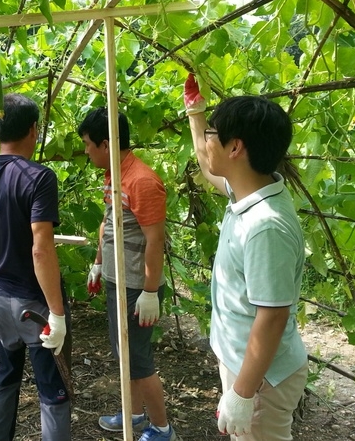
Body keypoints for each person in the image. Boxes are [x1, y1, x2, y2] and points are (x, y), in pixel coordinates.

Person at [183, 74, 308, 441]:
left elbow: (271, 317)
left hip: (262, 378)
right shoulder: (247, 191)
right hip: (248, 367)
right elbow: (209, 170)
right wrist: (196, 114)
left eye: (212, 133)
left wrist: (242, 393)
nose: (207, 139)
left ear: (235, 148)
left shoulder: (266, 227)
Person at [0, 93, 71, 441]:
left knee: (6, 374)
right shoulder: (38, 178)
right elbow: (41, 249)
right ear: (33, 130)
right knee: (52, 388)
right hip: (32, 301)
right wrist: (56, 312)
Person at [79, 107, 178, 441]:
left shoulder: (142, 180)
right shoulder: (115, 174)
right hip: (117, 279)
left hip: (136, 286)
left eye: (88, 145)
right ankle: (134, 415)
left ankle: (162, 428)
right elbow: (109, 223)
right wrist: (98, 262)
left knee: (138, 359)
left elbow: (155, 239)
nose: (86, 151)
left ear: (106, 144)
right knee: (125, 354)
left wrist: (150, 291)